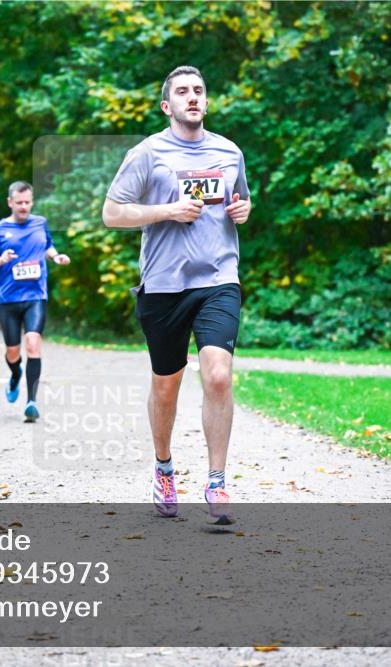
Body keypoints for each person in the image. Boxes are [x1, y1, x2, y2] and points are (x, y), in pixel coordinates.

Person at [101, 65, 252, 520]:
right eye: (183, 92)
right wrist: (168, 210)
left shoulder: (229, 152)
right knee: (167, 386)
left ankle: (218, 483)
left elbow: (238, 201)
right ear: (167, 105)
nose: (193, 97)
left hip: (218, 280)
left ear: (206, 100)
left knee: (219, 375)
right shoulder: (148, 153)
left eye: (199, 91)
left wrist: (243, 209)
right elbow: (112, 213)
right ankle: (164, 467)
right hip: (163, 285)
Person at [0, 181, 70, 422]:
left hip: (35, 296)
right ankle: (15, 373)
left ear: (32, 201)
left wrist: (55, 256)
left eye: (27, 202)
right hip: (9, 298)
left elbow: (48, 245)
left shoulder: (40, 223)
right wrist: (0, 260)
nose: (23, 207)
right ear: (10, 202)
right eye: (19, 203)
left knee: (33, 343)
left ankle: (31, 402)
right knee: (12, 352)